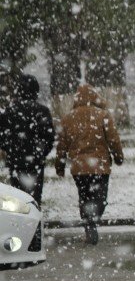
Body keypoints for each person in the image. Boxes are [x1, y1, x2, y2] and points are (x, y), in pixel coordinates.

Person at [55, 84, 124, 245]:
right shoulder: (103, 116)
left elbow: (62, 146)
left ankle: (89, 223)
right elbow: (113, 140)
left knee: (84, 197)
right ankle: (93, 220)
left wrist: (59, 165)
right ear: (95, 97)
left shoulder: (68, 118)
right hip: (100, 167)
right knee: (101, 198)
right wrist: (118, 156)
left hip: (79, 168)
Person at [0, 73, 55, 205]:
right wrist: (41, 153)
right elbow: (49, 138)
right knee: (34, 199)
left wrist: (11, 150)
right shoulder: (42, 111)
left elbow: (2, 137)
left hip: (16, 161)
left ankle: (21, 223)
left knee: (18, 200)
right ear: (36, 91)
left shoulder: (9, 112)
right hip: (35, 161)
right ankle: (34, 224)